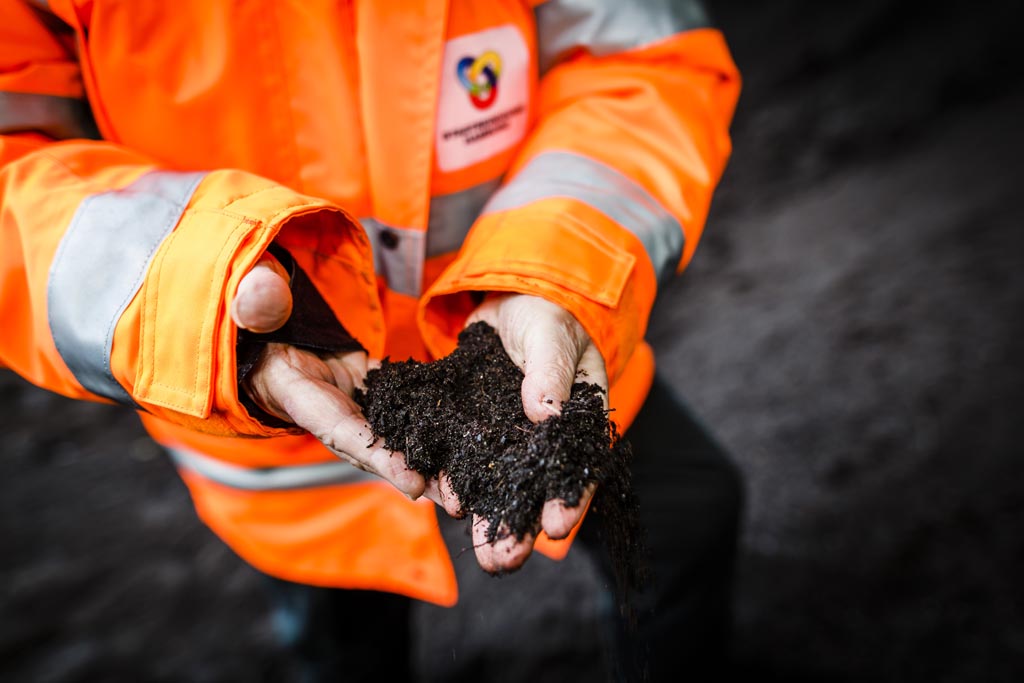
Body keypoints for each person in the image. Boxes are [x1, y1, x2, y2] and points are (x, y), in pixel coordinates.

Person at [0, 0, 742, 679]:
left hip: (531, 338)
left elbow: (637, 60)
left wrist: (551, 269)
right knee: (343, 643)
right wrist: (198, 297)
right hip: (275, 416)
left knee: (685, 516)